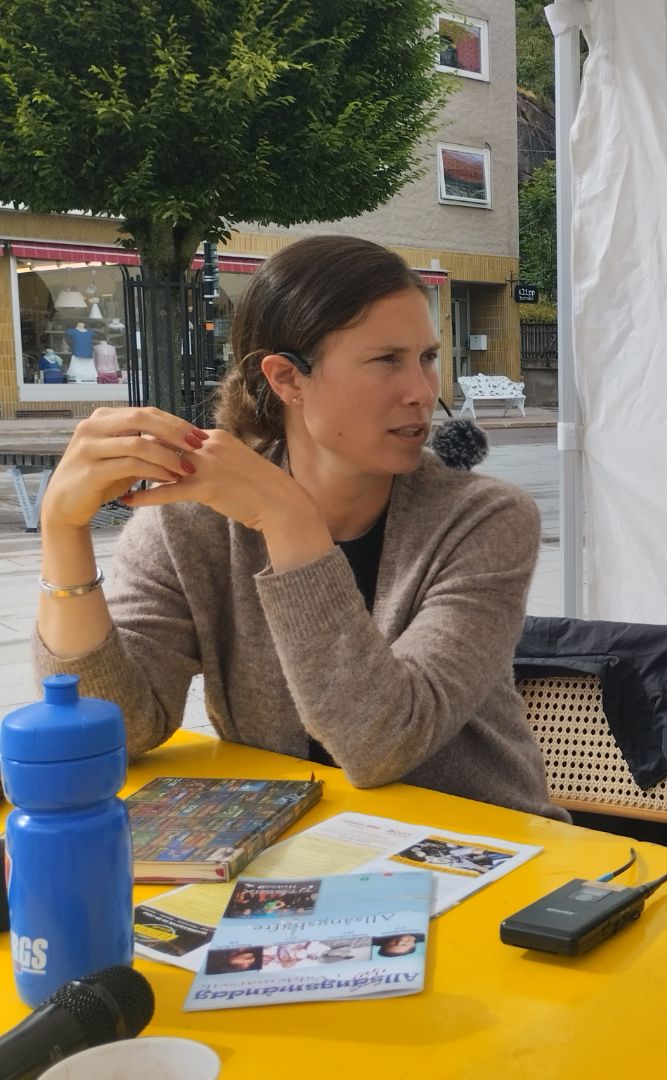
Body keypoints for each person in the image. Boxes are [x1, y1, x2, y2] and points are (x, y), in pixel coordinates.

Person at [33, 234, 564, 822]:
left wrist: (288, 520)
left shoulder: (485, 520)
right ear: (287, 378)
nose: (421, 391)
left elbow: (381, 742)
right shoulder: (192, 523)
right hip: (292, 855)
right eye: (387, 359)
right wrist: (63, 530)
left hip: (488, 852)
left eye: (428, 357)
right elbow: (114, 729)